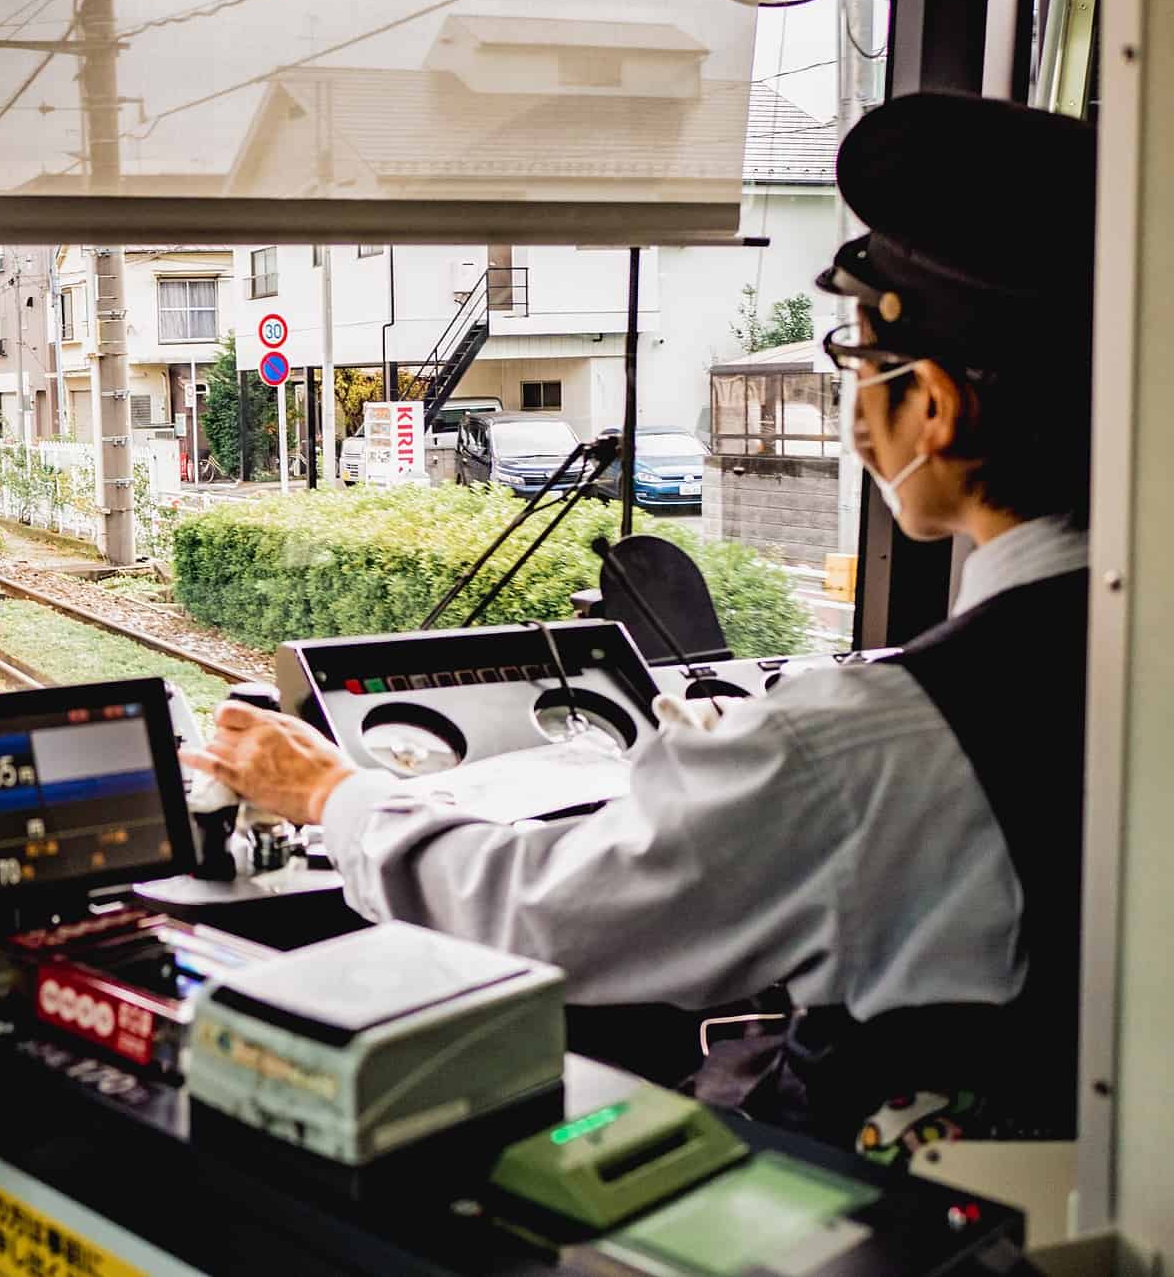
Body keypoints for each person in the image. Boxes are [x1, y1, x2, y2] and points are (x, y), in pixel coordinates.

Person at [180, 93, 1096, 1154]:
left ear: (930, 406)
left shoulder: (869, 740)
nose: (852, 417)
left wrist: (329, 793)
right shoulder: (1107, 650)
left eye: (856, 371)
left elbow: (547, 917)